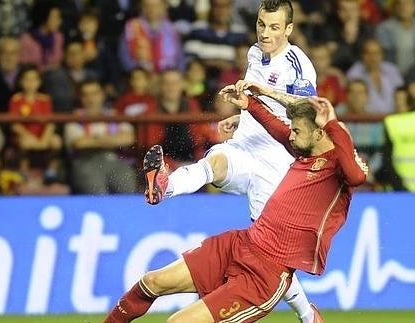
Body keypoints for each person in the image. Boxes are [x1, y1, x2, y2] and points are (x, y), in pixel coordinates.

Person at [105, 90, 368, 323]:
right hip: (241, 244)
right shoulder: (304, 152)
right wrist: (250, 105)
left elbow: (357, 176)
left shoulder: (337, 166)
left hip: (265, 276)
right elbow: (276, 127)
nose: (290, 134)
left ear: (320, 132)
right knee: (152, 282)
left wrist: (333, 123)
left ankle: (308, 316)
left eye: (297, 130)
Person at [143, 1, 319, 321]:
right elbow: (258, 100)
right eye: (261, 25)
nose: (266, 33)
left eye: (275, 27)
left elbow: (308, 109)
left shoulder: (299, 65)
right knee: (215, 163)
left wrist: (263, 93)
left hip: (276, 162)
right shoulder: (254, 52)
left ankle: (308, 315)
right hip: (245, 145)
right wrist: (242, 115)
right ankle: (163, 185)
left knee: (270, 254)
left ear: (289, 29)